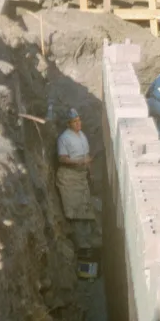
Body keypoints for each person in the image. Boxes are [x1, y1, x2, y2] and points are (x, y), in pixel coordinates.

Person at [56, 108, 99, 251]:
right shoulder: (64, 138)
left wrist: (91, 173)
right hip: (69, 178)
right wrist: (78, 162)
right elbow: (62, 158)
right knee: (75, 212)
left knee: (86, 209)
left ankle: (87, 240)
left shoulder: (82, 135)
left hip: (81, 177)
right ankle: (80, 244)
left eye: (79, 120)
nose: (78, 124)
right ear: (69, 124)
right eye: (74, 122)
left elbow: (87, 157)